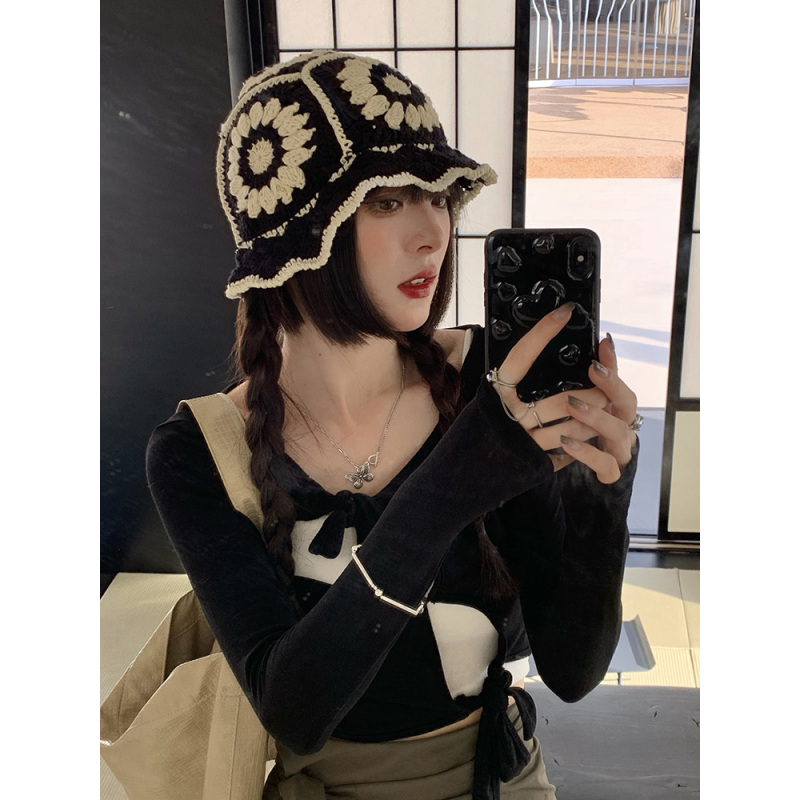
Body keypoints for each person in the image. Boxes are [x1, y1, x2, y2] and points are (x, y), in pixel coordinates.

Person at [146, 50, 640, 800]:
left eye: (438, 196)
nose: (433, 232)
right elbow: (294, 711)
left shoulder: (489, 386)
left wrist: (601, 500)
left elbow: (573, 673)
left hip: (497, 774)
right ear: (296, 234)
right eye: (385, 201)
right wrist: (454, 484)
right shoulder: (200, 451)